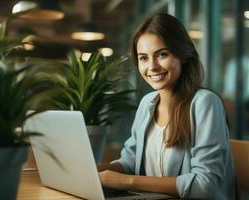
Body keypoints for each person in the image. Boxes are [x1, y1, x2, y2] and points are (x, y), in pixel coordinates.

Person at [97, 13, 236, 199]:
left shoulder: (205, 103)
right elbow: (131, 161)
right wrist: (92, 171)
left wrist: (128, 181)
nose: (152, 66)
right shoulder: (147, 103)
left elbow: (206, 185)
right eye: (144, 58)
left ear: (183, 55)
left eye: (162, 54)